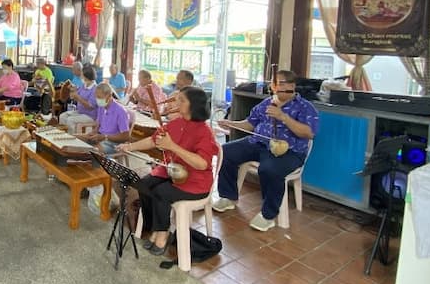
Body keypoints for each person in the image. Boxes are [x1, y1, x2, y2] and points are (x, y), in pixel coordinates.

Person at [118, 87, 219, 255]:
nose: (176, 103)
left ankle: (162, 233)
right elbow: (153, 140)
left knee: (161, 192)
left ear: (193, 105)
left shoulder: (204, 131)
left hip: (196, 181)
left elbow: (202, 164)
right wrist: (129, 146)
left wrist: (172, 146)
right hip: (173, 173)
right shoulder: (177, 123)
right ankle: (154, 227)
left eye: (181, 100)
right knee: (145, 184)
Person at [213, 70, 319, 232]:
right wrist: (231, 124)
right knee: (225, 151)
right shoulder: (267, 103)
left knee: (269, 169)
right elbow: (250, 124)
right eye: (274, 83)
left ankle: (268, 215)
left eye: (281, 83)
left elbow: (308, 133)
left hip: (289, 151)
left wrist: (283, 117)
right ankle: (228, 197)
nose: (275, 87)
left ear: (292, 86)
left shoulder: (305, 107)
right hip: (258, 143)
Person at [77, 83, 130, 154]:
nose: (97, 100)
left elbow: (125, 137)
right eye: (96, 97)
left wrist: (105, 137)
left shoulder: (121, 111)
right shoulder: (102, 106)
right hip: (101, 137)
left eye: (99, 97)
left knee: (91, 151)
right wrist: (94, 132)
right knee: (74, 138)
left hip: (114, 143)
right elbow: (99, 124)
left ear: (109, 96)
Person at [58, 66, 98, 133]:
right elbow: (76, 93)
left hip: (90, 115)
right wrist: (72, 89)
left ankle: (73, 139)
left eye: (82, 74)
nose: (81, 75)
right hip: (80, 112)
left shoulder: (95, 89)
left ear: (86, 76)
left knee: (70, 120)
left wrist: (78, 97)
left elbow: (90, 106)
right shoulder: (84, 85)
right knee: (62, 116)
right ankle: (63, 136)